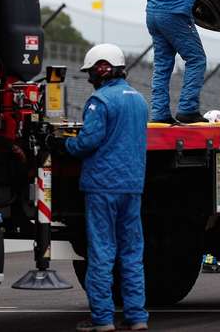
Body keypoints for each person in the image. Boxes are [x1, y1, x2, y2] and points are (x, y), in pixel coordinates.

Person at [64, 44, 150, 332]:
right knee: (132, 252)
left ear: (101, 69)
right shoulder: (139, 100)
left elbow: (88, 141)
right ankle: (137, 316)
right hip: (132, 186)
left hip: (102, 186)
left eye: (91, 72)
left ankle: (102, 320)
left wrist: (66, 145)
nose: (90, 77)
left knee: (102, 251)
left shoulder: (99, 101)